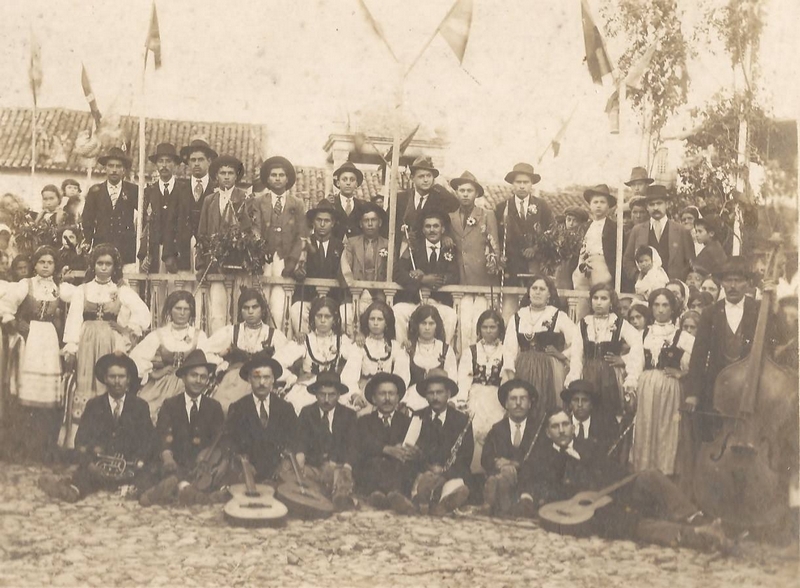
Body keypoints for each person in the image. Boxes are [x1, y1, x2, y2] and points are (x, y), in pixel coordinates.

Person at [519, 407, 733, 553]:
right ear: (548, 433)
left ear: (573, 427)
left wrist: (629, 481)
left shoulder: (589, 446)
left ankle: (697, 518)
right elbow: (534, 484)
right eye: (555, 426)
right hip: (587, 511)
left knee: (649, 475)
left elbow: (615, 472)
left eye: (565, 424)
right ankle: (696, 535)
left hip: (613, 491)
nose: (562, 430)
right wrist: (528, 497)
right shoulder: (543, 458)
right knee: (631, 522)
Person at [62, 244, 150, 447]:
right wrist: (72, 348)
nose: (103, 267)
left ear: (114, 267)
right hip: (87, 341)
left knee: (108, 383)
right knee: (86, 384)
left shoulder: (121, 291)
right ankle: (80, 442)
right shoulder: (83, 290)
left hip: (111, 341)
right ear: (93, 265)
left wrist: (127, 329)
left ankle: (110, 440)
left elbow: (143, 313)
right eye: (99, 263)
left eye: (108, 264)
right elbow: (74, 319)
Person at [38, 353, 154, 503]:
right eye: (112, 377)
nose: (117, 382)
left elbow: (148, 441)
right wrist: (91, 464)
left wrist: (136, 463)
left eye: (121, 377)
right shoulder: (94, 405)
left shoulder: (140, 406)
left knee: (147, 477)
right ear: (105, 379)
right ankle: (72, 490)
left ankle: (144, 493)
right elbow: (81, 441)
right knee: (83, 476)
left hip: (129, 469)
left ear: (128, 379)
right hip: (99, 468)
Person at [686, 258, 778, 428]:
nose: (733, 286)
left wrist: (773, 300)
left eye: (738, 280)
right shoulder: (710, 313)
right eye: (728, 280)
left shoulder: (759, 309)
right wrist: (693, 393)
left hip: (750, 388)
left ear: (748, 283)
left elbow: (774, 342)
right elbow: (698, 356)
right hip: (716, 388)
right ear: (721, 283)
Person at [0, 246, 72, 462]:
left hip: (48, 338)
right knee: (26, 392)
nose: (46, 266)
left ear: (55, 265)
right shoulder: (26, 284)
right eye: (42, 262)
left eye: (50, 262)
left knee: (47, 396)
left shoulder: (59, 288)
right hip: (29, 338)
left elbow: (82, 294)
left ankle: (45, 447)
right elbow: (6, 304)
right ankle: (25, 446)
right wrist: (13, 323)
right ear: (35, 264)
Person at [138, 350, 226, 507]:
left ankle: (180, 489)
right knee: (156, 471)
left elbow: (220, 439)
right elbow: (162, 434)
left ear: (207, 380)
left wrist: (217, 462)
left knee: (221, 478)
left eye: (203, 377)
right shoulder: (170, 405)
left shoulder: (214, 406)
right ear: (184, 377)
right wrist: (167, 456)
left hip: (203, 465)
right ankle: (181, 489)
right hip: (175, 462)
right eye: (193, 375)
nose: (198, 380)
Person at [392, 370, 473, 516]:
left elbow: (465, 458)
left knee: (456, 485)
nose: (435, 397)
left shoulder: (462, 420)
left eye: (439, 392)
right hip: (424, 470)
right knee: (418, 479)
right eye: (430, 393)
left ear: (448, 394)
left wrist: (443, 472)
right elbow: (410, 452)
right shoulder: (418, 416)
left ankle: (439, 503)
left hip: (449, 473)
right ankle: (420, 500)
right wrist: (427, 466)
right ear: (425, 395)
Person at [502, 275, 579, 425]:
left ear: (549, 294)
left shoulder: (558, 315)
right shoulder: (518, 316)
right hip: (523, 369)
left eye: (542, 289)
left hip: (549, 370)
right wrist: (510, 375)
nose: (537, 292)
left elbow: (577, 342)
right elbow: (509, 349)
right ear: (529, 292)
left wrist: (562, 355)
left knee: (546, 408)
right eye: (534, 288)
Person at [200, 288, 290, 415]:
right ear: (241, 311)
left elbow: (285, 359)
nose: (250, 311)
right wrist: (222, 363)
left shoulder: (274, 335)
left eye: (255, 307)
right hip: (235, 379)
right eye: (246, 308)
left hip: (262, 380)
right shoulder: (232, 331)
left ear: (262, 310)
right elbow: (204, 350)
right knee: (225, 408)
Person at [633, 288, 694, 475]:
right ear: (651, 307)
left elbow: (700, 362)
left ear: (673, 308)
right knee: (646, 427)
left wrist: (683, 373)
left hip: (670, 388)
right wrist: (631, 388)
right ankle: (645, 472)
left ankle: (665, 472)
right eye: (656, 305)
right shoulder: (643, 334)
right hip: (646, 388)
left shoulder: (682, 336)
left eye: (665, 305)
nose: (660, 310)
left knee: (666, 428)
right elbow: (635, 364)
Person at [130, 291, 214, 423]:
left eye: (186, 309)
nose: (182, 313)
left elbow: (208, 358)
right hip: (163, 384)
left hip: (191, 383)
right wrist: (154, 373)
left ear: (191, 312)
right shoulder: (159, 334)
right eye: (178, 308)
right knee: (150, 410)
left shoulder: (199, 335)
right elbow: (136, 358)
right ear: (170, 310)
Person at [279, 296, 363, 415]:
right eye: (319, 316)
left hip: (333, 388)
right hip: (309, 388)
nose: (323, 320)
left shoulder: (341, 341)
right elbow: (277, 362)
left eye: (327, 316)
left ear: (334, 319)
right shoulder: (305, 340)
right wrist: (292, 378)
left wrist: (352, 390)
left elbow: (355, 359)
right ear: (313, 318)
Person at [572, 283, 643, 421]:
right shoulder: (583, 324)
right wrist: (575, 375)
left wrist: (624, 360)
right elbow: (576, 353)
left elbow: (637, 343)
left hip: (610, 376)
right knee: (588, 412)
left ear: (611, 302)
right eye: (595, 298)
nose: (599, 302)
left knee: (609, 413)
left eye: (604, 298)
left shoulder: (619, 323)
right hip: (588, 374)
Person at [252, 155, 307, 331]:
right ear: (268, 179)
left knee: (280, 307)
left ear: (287, 179)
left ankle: (278, 339)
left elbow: (301, 235)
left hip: (285, 260)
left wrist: (292, 262)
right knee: (261, 301)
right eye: (273, 175)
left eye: (281, 175)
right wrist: (259, 253)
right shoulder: (259, 201)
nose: (277, 178)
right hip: (264, 258)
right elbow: (255, 228)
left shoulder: (297, 203)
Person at [448, 171, 501, 352]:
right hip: (461, 280)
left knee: (479, 323)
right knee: (462, 324)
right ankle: (463, 359)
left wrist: (493, 264)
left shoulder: (487, 215)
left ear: (476, 193)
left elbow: (494, 246)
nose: (465, 194)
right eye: (461, 190)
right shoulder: (450, 217)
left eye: (469, 191)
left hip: (482, 280)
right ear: (456, 192)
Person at [225, 353, 297, 482]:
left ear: (273, 379)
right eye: (256, 377)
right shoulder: (237, 408)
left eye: (266, 377)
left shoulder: (286, 408)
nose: (262, 383)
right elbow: (230, 442)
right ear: (249, 379)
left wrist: (285, 464)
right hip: (247, 476)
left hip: (279, 477)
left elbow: (295, 440)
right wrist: (243, 464)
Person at [393, 209, 459, 345]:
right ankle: (403, 350)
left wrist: (435, 280)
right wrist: (421, 279)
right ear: (423, 230)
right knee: (398, 311)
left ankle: (443, 351)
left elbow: (454, 275)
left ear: (442, 229)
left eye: (436, 226)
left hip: (438, 302)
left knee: (451, 315)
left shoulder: (449, 249)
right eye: (428, 226)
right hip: (415, 302)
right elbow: (398, 272)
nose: (432, 230)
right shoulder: (413, 248)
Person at [353, 372, 417, 509]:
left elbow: (412, 446)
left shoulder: (407, 422)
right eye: (382, 394)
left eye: (391, 394)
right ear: (374, 398)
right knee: (373, 463)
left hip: (398, 470)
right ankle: (377, 496)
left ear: (398, 398)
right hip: (374, 469)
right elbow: (362, 445)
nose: (387, 398)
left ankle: (396, 497)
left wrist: (410, 451)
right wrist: (385, 449)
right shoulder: (364, 421)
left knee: (403, 467)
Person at [295, 371, 358, 511]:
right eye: (322, 394)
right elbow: (300, 439)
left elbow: (352, 444)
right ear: (315, 394)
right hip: (314, 465)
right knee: (297, 474)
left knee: (343, 478)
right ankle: (316, 496)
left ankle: (340, 497)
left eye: (332, 395)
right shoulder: (307, 413)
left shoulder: (349, 415)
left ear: (339, 395)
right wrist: (300, 455)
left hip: (338, 466)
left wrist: (345, 466)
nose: (326, 400)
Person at [478, 379, 540, 517]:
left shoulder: (538, 429)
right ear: (506, 404)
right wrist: (498, 463)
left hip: (528, 482)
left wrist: (514, 464)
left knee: (509, 478)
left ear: (530, 403)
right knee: (500, 476)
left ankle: (495, 501)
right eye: (513, 399)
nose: (518, 403)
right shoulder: (497, 429)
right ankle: (498, 498)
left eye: (523, 398)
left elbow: (542, 460)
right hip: (500, 473)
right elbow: (485, 458)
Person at [456, 309, 505, 472]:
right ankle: (475, 471)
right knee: (474, 429)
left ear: (499, 329)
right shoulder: (471, 351)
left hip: (497, 397)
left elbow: (507, 378)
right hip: (476, 395)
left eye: (493, 327)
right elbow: (464, 378)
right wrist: (462, 400)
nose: (489, 331)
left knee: (494, 429)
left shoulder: (505, 351)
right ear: (479, 329)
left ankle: (493, 470)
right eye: (485, 327)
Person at [290, 200, 345, 335]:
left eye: (326, 221)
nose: (322, 224)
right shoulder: (303, 243)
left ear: (333, 223)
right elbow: (292, 268)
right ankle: (306, 342)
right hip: (308, 297)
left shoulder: (340, 246)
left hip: (332, 299)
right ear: (313, 222)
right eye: (319, 220)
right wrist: (297, 272)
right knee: (297, 309)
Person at [495, 162, 554, 286]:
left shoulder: (542, 206)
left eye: (526, 182)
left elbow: (552, 231)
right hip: (510, 265)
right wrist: (499, 256)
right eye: (518, 182)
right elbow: (496, 236)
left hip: (535, 264)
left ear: (532, 184)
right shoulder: (502, 207)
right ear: (513, 183)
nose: (522, 186)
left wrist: (536, 248)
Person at [164, 138, 218, 271]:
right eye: (193, 160)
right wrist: (168, 254)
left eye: (201, 159)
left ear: (209, 161)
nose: (196, 164)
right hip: (183, 254)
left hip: (209, 255)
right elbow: (170, 222)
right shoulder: (179, 190)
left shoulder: (216, 190)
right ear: (188, 163)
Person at [623, 184, 694, 282]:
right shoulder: (637, 231)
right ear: (647, 207)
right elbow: (627, 260)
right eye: (651, 204)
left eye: (659, 203)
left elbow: (690, 262)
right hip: (646, 286)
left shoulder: (681, 231)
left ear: (667, 204)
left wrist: (679, 281)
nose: (655, 207)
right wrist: (638, 276)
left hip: (673, 286)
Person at [82, 148, 139, 266]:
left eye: (118, 166)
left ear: (124, 170)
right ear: (105, 168)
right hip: (102, 244)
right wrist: (88, 240)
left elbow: (145, 213)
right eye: (111, 166)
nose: (114, 170)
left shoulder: (133, 190)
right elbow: (87, 219)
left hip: (126, 246)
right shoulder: (95, 191)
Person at [138, 143, 188, 274]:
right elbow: (144, 225)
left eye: (168, 161)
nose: (164, 165)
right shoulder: (149, 192)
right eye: (161, 161)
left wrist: (174, 251)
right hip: (154, 251)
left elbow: (184, 224)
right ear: (156, 165)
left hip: (175, 253)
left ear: (175, 165)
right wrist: (146, 252)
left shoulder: (184, 190)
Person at [400, 305, 458, 412]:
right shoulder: (408, 348)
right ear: (417, 325)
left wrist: (451, 401)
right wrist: (403, 403)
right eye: (423, 323)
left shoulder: (446, 350)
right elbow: (402, 379)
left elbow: (452, 379)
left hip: (439, 399)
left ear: (437, 326)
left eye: (431, 323)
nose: (427, 328)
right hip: (414, 399)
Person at [393, 155, 458, 250]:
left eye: (429, 176)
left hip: (430, 253)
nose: (426, 180)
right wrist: (401, 231)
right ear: (412, 177)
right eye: (421, 176)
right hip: (403, 251)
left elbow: (452, 218)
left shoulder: (441, 199)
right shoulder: (400, 199)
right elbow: (388, 225)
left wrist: (446, 235)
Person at [573, 184, 618, 318]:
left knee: (600, 297)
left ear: (608, 206)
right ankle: (581, 325)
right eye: (595, 202)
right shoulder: (584, 227)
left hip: (602, 266)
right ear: (590, 205)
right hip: (584, 263)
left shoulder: (614, 228)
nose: (598, 205)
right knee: (582, 299)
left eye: (602, 202)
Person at [356, 301, 410, 402]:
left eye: (380, 319)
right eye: (372, 319)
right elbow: (350, 375)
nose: (375, 323)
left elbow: (402, 375)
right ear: (367, 321)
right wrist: (355, 395)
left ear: (386, 323)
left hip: (389, 393)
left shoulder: (395, 346)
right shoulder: (360, 346)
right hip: (365, 393)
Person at [340, 201, 390, 306]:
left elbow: (390, 272)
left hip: (379, 296)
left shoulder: (388, 244)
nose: (370, 224)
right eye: (366, 220)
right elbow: (345, 268)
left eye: (373, 220)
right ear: (361, 224)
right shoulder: (352, 243)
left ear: (380, 223)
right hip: (356, 294)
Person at [560, 379, 618, 454]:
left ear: (591, 405)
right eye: (576, 400)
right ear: (570, 404)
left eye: (584, 400)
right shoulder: (562, 427)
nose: (580, 405)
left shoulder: (603, 427)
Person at [328, 161, 369, 241]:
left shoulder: (362, 206)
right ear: (338, 183)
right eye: (344, 179)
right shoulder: (331, 204)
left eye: (352, 180)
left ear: (356, 184)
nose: (348, 183)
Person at [554, 206, 589, 290]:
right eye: (568, 220)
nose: (571, 223)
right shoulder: (559, 236)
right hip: (562, 272)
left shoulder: (585, 237)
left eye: (575, 221)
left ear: (581, 223)